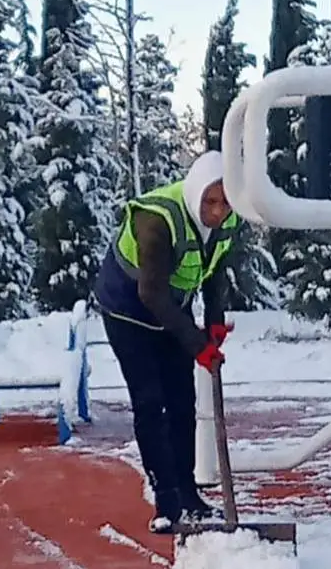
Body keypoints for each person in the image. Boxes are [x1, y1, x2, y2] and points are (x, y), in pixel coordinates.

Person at [92, 150, 241, 533]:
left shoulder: (229, 219)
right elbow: (151, 293)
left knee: (182, 403)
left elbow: (214, 274)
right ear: (195, 196)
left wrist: (214, 326)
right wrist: (197, 345)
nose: (217, 211)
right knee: (151, 402)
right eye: (210, 201)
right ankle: (166, 501)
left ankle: (188, 492)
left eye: (224, 202)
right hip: (129, 311)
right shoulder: (156, 221)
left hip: (170, 308)